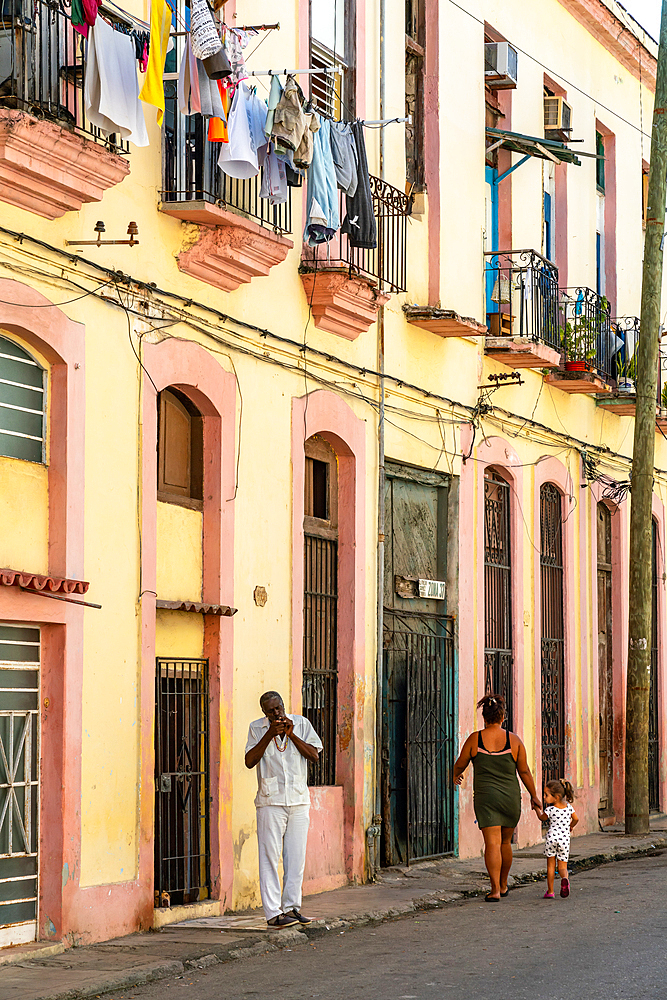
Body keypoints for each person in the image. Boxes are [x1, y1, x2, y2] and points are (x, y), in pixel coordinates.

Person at [453, 693, 542, 901]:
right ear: (503, 718)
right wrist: (534, 796)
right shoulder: (514, 741)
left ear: (484, 717)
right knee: (505, 843)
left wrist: (455, 776)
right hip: (510, 798)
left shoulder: (475, 739)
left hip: (486, 799)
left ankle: (494, 890)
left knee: (491, 843)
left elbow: (460, 764)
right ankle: (503, 885)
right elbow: (525, 772)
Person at [245, 690, 322, 927]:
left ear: (283, 705)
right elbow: (249, 761)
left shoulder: (301, 723)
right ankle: (273, 913)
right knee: (269, 857)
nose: (276, 713)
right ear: (264, 713)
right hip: (270, 802)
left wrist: (292, 734)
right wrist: (269, 734)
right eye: (271, 711)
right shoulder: (256, 729)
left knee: (296, 857)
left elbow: (314, 755)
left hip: (298, 801)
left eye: (278, 708)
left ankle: (292, 908)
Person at [532, 778, 579, 899]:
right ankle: (565, 879)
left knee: (550, 866)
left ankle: (550, 891)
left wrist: (537, 809)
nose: (544, 797)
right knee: (563, 866)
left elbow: (542, 818)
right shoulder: (569, 808)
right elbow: (576, 819)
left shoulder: (550, 810)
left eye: (546, 795)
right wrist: (570, 826)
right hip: (564, 840)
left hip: (552, 839)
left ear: (556, 797)